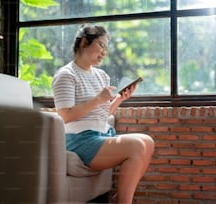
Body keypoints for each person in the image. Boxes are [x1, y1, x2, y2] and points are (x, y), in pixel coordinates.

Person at [52, 24, 154, 204]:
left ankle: (123, 195)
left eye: (106, 47)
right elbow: (65, 116)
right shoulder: (65, 75)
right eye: (101, 45)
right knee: (136, 146)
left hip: (101, 134)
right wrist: (98, 98)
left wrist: (119, 99)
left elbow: (101, 114)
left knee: (148, 141)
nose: (104, 51)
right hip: (78, 140)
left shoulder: (101, 76)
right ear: (84, 42)